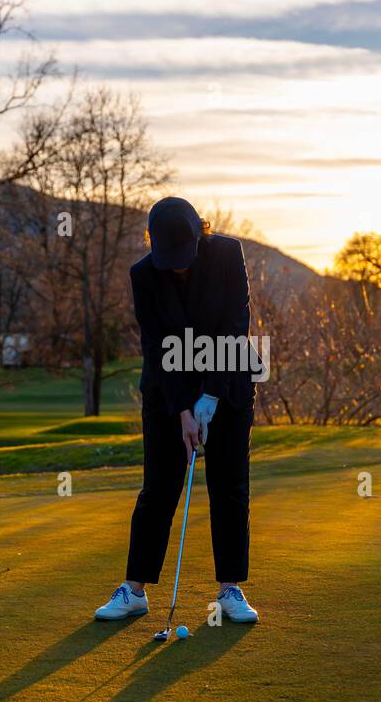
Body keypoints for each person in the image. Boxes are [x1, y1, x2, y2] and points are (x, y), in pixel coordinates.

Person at [94, 197, 259, 624]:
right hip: (168, 391)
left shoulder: (227, 253)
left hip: (229, 383)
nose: (179, 268)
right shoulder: (143, 275)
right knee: (160, 488)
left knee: (229, 487)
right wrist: (184, 409)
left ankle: (230, 589)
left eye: (184, 259)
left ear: (199, 234)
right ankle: (134, 590)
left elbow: (235, 327)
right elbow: (155, 345)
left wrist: (211, 396)